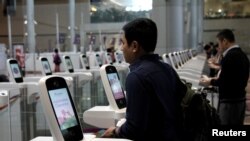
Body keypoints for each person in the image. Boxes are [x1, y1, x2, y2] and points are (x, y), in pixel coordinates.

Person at [101, 18, 186, 140]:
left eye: (123, 43)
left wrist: (115, 130)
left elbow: (133, 130)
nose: (121, 48)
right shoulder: (167, 68)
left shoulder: (136, 77)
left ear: (134, 46)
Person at [200, 29, 250, 125]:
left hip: (229, 102)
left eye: (219, 43)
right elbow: (233, 78)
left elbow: (224, 80)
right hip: (240, 100)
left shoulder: (230, 56)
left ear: (225, 41)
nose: (218, 46)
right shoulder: (242, 55)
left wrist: (209, 81)